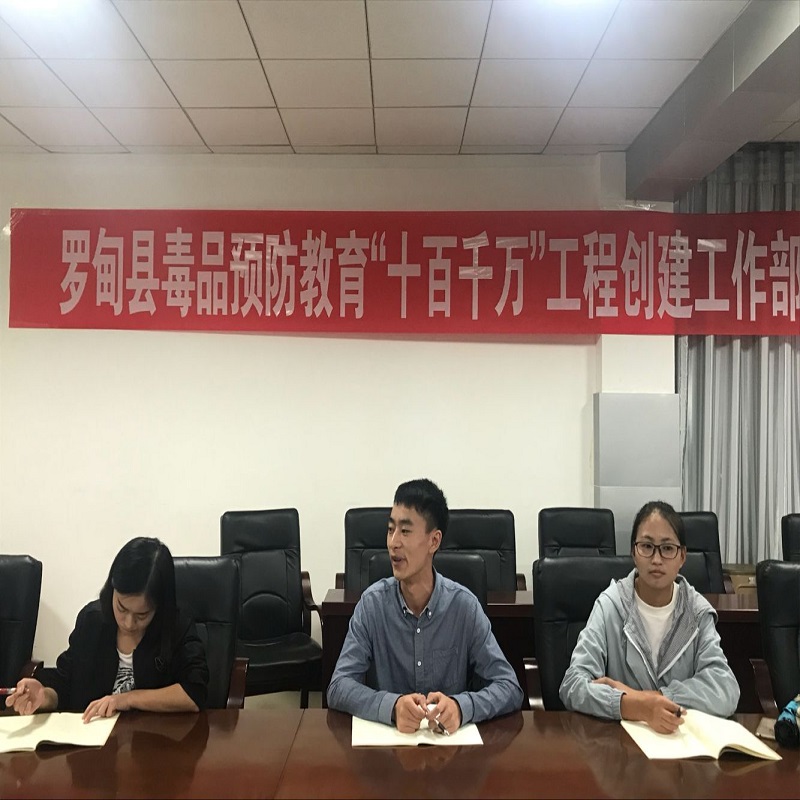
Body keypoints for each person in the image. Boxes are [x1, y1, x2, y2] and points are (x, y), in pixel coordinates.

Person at [327, 478, 523, 733]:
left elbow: (509, 687)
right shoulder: (371, 606)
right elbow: (339, 686)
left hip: (448, 747)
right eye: (390, 529)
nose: (393, 543)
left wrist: (461, 707)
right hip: (388, 748)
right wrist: (392, 706)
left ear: (434, 541)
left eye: (405, 531)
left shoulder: (464, 607)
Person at [559, 500, 740, 733]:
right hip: (621, 743)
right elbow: (573, 685)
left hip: (680, 743)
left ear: (682, 557)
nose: (656, 559)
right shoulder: (610, 606)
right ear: (633, 553)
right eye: (646, 546)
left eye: (667, 548)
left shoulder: (696, 612)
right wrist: (635, 706)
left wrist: (652, 699)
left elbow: (725, 689)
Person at [6, 537, 208, 721]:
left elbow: (194, 693)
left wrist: (127, 699)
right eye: (121, 608)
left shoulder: (176, 625)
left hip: (153, 741)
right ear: (112, 589)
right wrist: (44, 696)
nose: (128, 623)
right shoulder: (92, 620)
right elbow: (65, 683)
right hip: (93, 741)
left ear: (160, 607)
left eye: (142, 615)